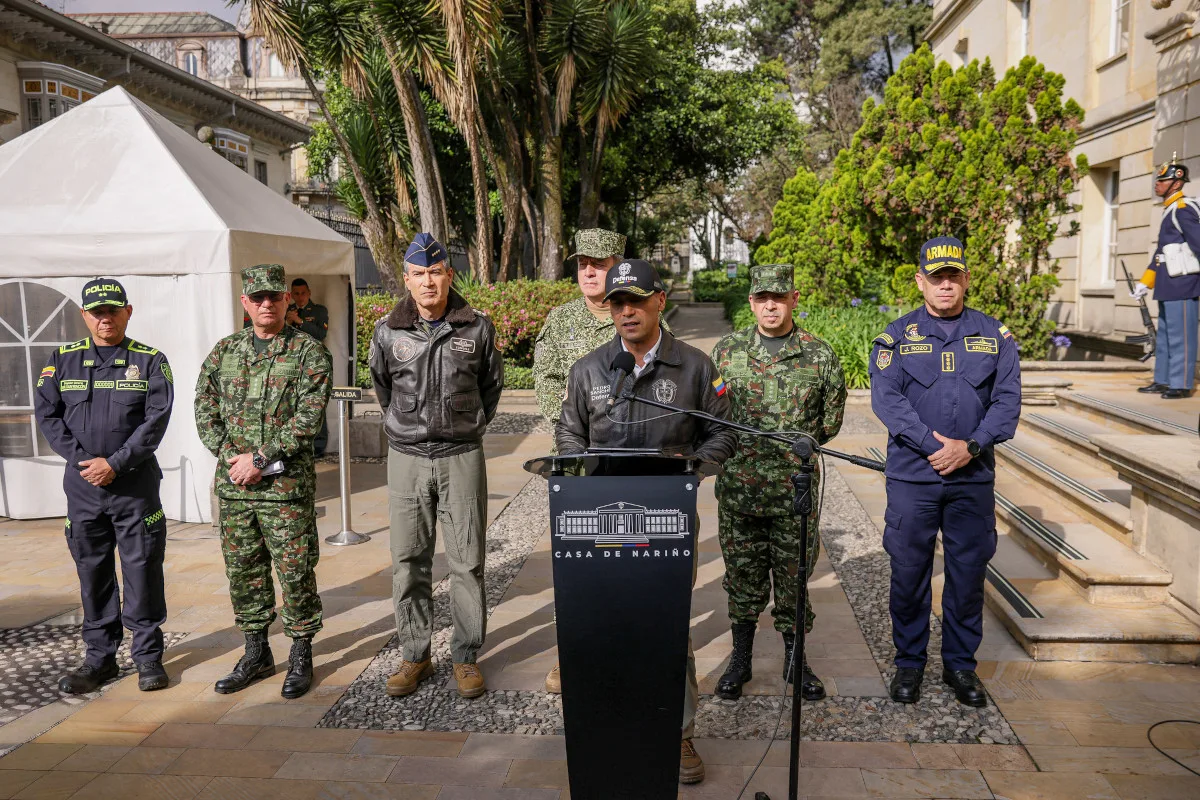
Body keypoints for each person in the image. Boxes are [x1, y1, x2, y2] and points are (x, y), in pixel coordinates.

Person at [557, 258, 736, 786]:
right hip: (596, 517)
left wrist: (693, 472)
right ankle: (613, 722)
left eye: (636, 300)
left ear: (661, 301)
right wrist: (580, 479)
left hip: (666, 515)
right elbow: (569, 435)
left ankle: (677, 731)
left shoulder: (696, 367)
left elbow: (722, 433)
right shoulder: (589, 369)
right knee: (605, 622)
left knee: (667, 627)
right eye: (617, 303)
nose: (626, 311)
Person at [869, 237, 1020, 708]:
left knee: (967, 574)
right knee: (909, 572)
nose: (946, 285)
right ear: (921, 282)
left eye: (954, 276)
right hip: (914, 477)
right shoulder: (896, 337)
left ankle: (960, 666)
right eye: (937, 277)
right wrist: (937, 447)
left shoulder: (995, 336)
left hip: (971, 480)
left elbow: (1007, 401)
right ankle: (909, 664)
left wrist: (970, 447)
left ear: (967, 279)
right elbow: (887, 401)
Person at [369, 233, 504, 701]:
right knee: (408, 561)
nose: (428, 281)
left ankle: (465, 656)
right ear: (406, 279)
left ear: (450, 274)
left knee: (467, 562)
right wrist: (408, 428)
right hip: (407, 458)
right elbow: (382, 387)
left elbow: (491, 386)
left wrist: (464, 425)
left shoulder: (477, 328)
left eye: (436, 271)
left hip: (461, 456)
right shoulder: (388, 331)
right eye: (419, 273)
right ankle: (416, 654)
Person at [709, 265, 846, 703]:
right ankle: (740, 660)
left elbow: (830, 421)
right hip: (739, 493)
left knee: (794, 581)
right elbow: (713, 415)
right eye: (762, 297)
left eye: (779, 297)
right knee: (742, 580)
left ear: (794, 299)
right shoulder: (726, 352)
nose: (771, 305)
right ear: (751, 302)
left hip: (794, 494)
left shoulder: (819, 355)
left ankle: (795, 661)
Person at [195, 264, 332, 699]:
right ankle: (256, 653)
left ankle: (300, 652)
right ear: (245, 303)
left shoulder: (309, 353)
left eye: (274, 296)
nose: (267, 304)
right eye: (258, 298)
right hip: (236, 489)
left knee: (295, 572)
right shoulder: (224, 352)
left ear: (287, 299)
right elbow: (204, 407)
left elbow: (308, 418)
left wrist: (260, 457)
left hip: (284, 490)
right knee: (244, 573)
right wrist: (230, 457)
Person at [35, 279, 174, 694]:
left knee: (142, 571)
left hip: (134, 488)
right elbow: (48, 414)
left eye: (112, 310)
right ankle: (100, 659)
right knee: (93, 574)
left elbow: (156, 420)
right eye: (96, 311)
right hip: (83, 489)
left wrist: (114, 464)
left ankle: (148, 658)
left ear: (127, 312)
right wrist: (86, 463)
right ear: (84, 315)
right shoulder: (62, 360)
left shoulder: (150, 361)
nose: (104, 318)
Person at [1132, 154, 1200, 399]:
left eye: (1163, 180)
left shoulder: (1183, 210)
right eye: (1159, 180)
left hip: (1183, 285)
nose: (1157, 184)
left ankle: (1180, 384)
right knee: (1165, 337)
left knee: (1181, 337)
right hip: (1168, 285)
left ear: (1177, 183)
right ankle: (1162, 380)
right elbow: (1161, 253)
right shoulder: (1170, 210)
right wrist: (1144, 282)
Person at [286, 278, 331, 453]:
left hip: (314, 363)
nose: (300, 297)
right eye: (296, 294)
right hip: (293, 363)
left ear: (309, 293)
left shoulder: (319, 311)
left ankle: (319, 445)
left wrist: (300, 321)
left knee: (315, 402)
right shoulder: (287, 311)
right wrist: (288, 322)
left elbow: (321, 334)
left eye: (303, 293)